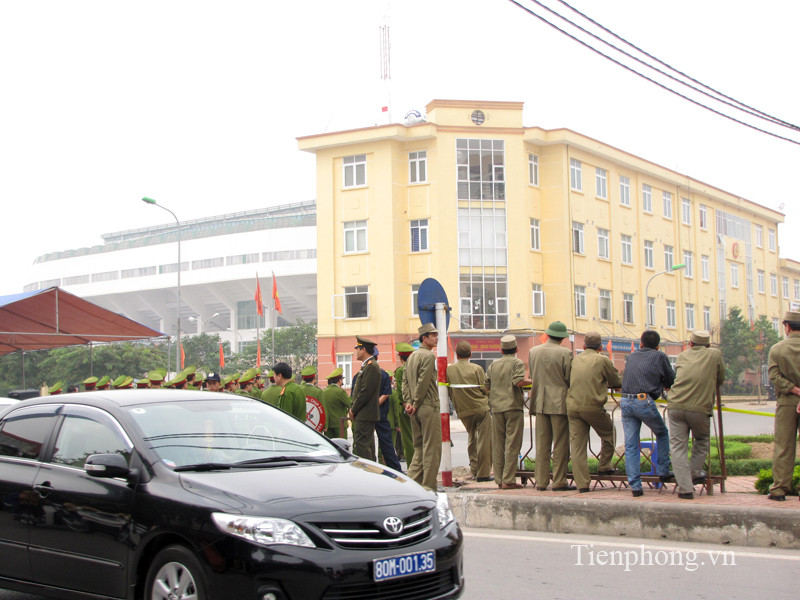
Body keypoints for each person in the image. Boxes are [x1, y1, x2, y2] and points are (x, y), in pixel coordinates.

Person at [666, 330, 725, 500]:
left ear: (690, 344)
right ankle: (692, 475)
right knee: (702, 440)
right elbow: (720, 378)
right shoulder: (714, 355)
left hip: (675, 405)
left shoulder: (683, 356)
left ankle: (685, 488)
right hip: (699, 408)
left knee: (678, 446)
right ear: (707, 345)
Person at [620, 329, 676, 497]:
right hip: (644, 401)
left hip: (625, 401)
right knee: (662, 433)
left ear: (640, 344)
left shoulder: (632, 356)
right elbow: (671, 380)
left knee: (630, 444)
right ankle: (663, 470)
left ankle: (635, 486)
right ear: (658, 346)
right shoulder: (660, 357)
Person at [566, 332, 622, 493]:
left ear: (583, 347)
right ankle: (604, 465)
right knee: (609, 432)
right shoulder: (602, 359)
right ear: (601, 348)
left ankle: (582, 484)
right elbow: (616, 381)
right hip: (592, 406)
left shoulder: (575, 360)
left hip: (572, 406)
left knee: (577, 446)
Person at [528, 321, 574, 491]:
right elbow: (569, 378)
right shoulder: (566, 353)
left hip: (539, 401)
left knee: (542, 443)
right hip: (559, 402)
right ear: (562, 338)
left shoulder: (533, 352)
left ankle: (541, 481)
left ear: (547, 334)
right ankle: (559, 480)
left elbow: (533, 375)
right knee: (561, 443)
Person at [402, 323, 442, 491]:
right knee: (432, 448)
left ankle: (411, 485)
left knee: (418, 448)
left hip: (414, 408)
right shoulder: (429, 356)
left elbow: (404, 381)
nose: (436, 338)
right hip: (427, 405)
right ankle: (429, 487)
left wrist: (409, 402)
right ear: (424, 338)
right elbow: (423, 382)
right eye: (433, 335)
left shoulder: (412, 356)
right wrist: (416, 403)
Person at [487, 335, 530, 489]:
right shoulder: (517, 362)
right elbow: (518, 381)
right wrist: (535, 381)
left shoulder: (493, 365)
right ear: (517, 349)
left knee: (498, 444)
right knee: (512, 444)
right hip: (513, 407)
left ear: (501, 350)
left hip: (497, 408)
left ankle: (499, 479)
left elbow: (486, 386)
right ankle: (508, 479)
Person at [447, 340, 493, 482]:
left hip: (463, 410)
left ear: (456, 353)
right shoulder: (476, 368)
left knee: (472, 439)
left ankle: (474, 470)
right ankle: (483, 473)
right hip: (480, 408)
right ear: (470, 354)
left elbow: (448, 390)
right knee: (484, 441)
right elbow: (484, 388)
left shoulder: (449, 369)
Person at [766, 310, 800, 501]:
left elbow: (774, 376)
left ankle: (779, 489)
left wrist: (793, 389)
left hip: (787, 402)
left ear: (787, 326)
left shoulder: (777, 349)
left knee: (784, 446)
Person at [349, 336, 381, 461]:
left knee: (362, 445)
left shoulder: (371, 366)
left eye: (358, 349)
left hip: (365, 412)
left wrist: (354, 409)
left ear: (363, 350)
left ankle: (367, 470)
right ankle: (371, 470)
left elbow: (365, 392)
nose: (356, 352)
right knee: (367, 444)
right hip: (364, 412)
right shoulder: (367, 366)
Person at [373, 348, 402, 471]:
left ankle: (379, 464)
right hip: (389, 422)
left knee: (377, 446)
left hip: (371, 416)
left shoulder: (361, 375)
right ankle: (392, 468)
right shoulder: (393, 392)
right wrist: (397, 423)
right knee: (388, 445)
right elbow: (396, 410)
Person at [393, 343, 415, 465]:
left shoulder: (401, 371)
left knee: (408, 439)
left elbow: (401, 392)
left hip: (406, 409)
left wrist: (405, 406)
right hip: (418, 406)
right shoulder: (416, 368)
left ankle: (412, 466)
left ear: (400, 357)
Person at [321, 368, 351, 438]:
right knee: (342, 446)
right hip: (340, 425)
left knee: (330, 445)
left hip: (328, 425)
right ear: (340, 380)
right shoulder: (340, 392)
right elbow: (349, 404)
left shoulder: (324, 392)